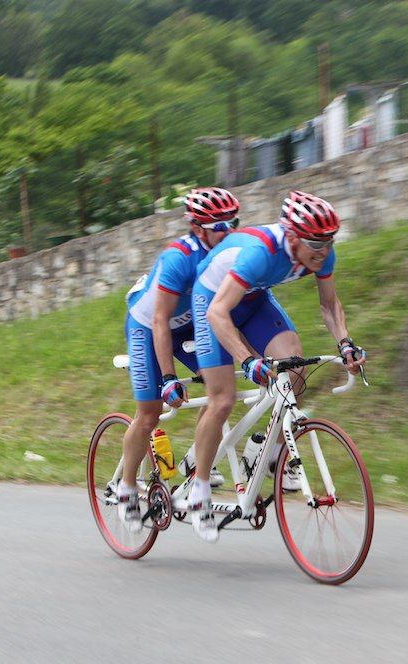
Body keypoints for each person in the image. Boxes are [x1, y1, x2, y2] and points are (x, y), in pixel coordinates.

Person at [186, 190, 368, 542]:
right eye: (316, 245)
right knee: (222, 400)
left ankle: (262, 449)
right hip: (213, 302)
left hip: (253, 298)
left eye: (329, 243)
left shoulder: (319, 252)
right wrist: (248, 360)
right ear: (294, 237)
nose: (324, 252)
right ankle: (200, 488)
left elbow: (329, 306)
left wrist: (345, 342)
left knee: (295, 369)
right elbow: (217, 313)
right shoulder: (261, 253)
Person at [116, 187, 241, 532]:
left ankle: (196, 460)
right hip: (149, 327)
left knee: (220, 393)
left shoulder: (229, 250)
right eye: (221, 225)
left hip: (188, 326)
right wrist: (169, 376)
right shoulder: (180, 258)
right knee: (150, 413)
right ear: (199, 228)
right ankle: (126, 486)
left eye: (234, 222)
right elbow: (159, 321)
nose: (229, 230)